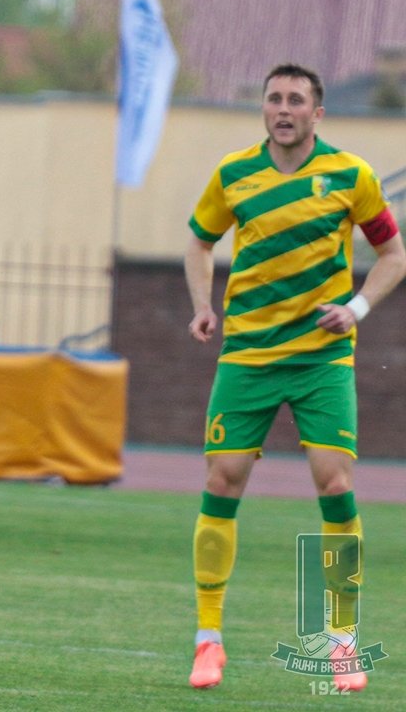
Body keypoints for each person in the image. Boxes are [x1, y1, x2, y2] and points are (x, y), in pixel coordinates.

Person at [182, 63, 403, 692]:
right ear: (264, 109)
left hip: (320, 360)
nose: (283, 108)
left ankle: (339, 642)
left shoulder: (351, 175)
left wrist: (356, 308)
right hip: (247, 354)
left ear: (317, 112)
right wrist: (204, 305)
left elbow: (393, 255)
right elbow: (199, 243)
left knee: (334, 482)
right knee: (221, 482)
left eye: (296, 100)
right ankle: (208, 641)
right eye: (274, 98)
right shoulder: (233, 175)